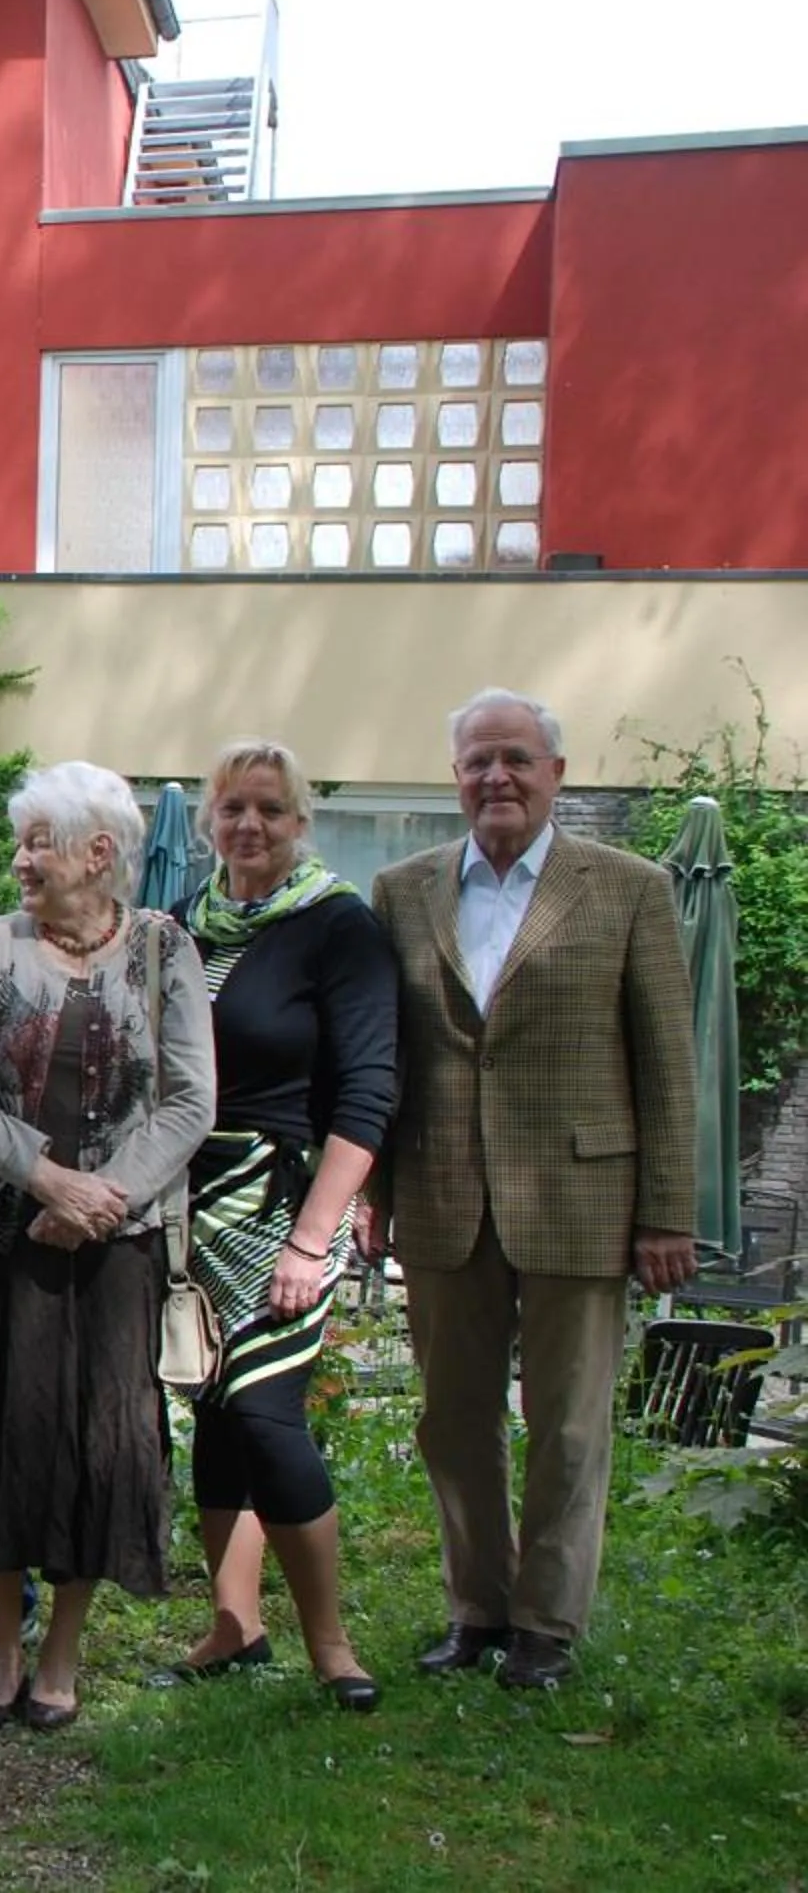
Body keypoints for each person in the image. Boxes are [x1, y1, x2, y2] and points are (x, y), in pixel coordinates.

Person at [366, 689, 696, 1693]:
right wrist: (375, 1190)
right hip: (444, 1195)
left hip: (583, 1197)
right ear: (455, 777)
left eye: (515, 758)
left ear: (556, 772)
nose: (496, 776)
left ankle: (546, 1626)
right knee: (452, 1419)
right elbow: (385, 1057)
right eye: (478, 761)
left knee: (570, 1426)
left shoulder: (630, 887)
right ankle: (477, 1609)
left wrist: (668, 1212)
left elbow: (668, 1064)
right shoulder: (403, 890)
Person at [0, 761, 215, 1730]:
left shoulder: (166, 949)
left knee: (95, 1445)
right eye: (20, 842)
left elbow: (190, 1102)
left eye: (37, 842)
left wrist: (100, 1200)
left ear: (99, 852)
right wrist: (49, 1182)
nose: (20, 860)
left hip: (114, 1249)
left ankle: (61, 1655)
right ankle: (4, 1647)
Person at [150, 742, 397, 1711]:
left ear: (301, 823)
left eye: (270, 809)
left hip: (280, 1201)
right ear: (210, 822)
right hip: (186, 1200)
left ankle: (331, 1644)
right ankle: (234, 1626)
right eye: (232, 808)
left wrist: (312, 1237)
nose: (248, 825)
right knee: (215, 1407)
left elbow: (369, 1091)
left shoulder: (339, 926)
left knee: (265, 1410)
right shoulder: (180, 925)